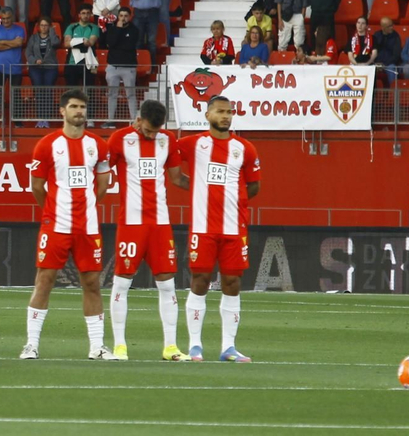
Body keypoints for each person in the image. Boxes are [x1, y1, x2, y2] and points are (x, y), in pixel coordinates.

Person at [22, 88, 116, 361]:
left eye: (83, 107)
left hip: (87, 226)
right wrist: (52, 211)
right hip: (56, 224)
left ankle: (97, 347)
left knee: (92, 283)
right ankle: (31, 344)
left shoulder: (98, 145)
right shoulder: (47, 145)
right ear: (62, 111)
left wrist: (88, 206)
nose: (79, 112)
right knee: (44, 281)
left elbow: (103, 183)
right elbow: (37, 186)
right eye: (74, 107)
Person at [173, 96, 260, 362]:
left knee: (232, 283)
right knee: (199, 281)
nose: (226, 116)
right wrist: (199, 189)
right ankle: (195, 346)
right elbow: (173, 169)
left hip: (234, 228)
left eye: (229, 112)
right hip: (203, 227)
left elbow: (254, 186)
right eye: (220, 111)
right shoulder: (193, 144)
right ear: (207, 114)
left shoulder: (245, 148)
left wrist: (233, 197)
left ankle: (228, 347)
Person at [106, 99, 185, 361]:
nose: (152, 135)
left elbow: (176, 177)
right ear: (138, 120)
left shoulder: (168, 140)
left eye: (156, 131)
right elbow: (103, 172)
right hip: (131, 222)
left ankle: (171, 347)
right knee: (121, 283)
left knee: (167, 284)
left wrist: (204, 188)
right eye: (148, 130)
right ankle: (120, 346)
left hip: (160, 224)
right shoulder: (119, 139)